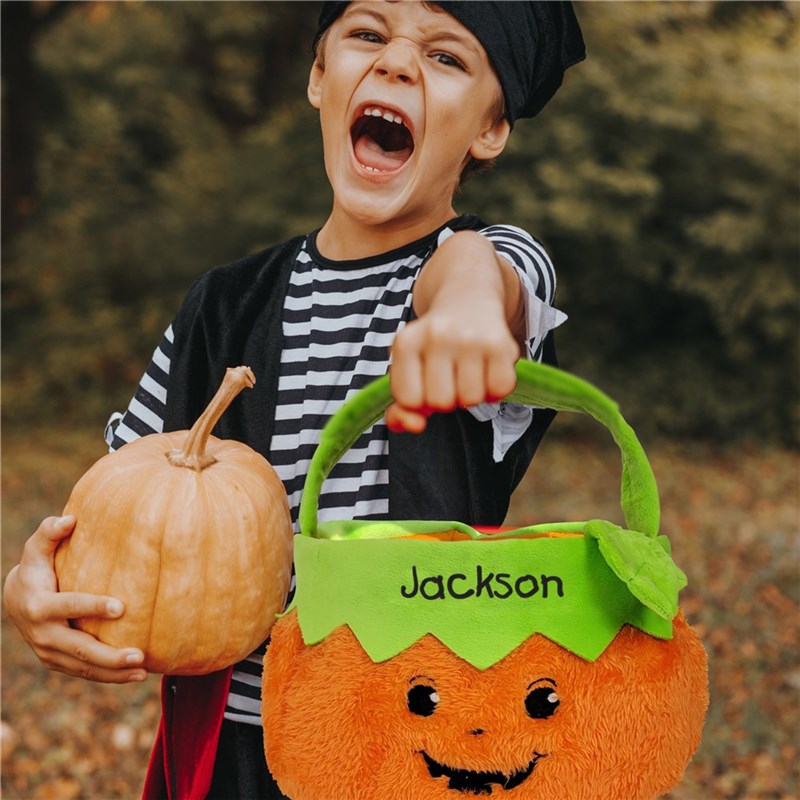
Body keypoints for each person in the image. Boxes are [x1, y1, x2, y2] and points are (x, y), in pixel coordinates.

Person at [3, 2, 585, 798]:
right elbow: (117, 512)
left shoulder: (484, 279)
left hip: (416, 754)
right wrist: (39, 590)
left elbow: (493, 269)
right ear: (320, 75)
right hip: (228, 754)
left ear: (489, 129)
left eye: (447, 57)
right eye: (369, 35)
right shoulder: (224, 305)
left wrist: (469, 311)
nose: (398, 64)